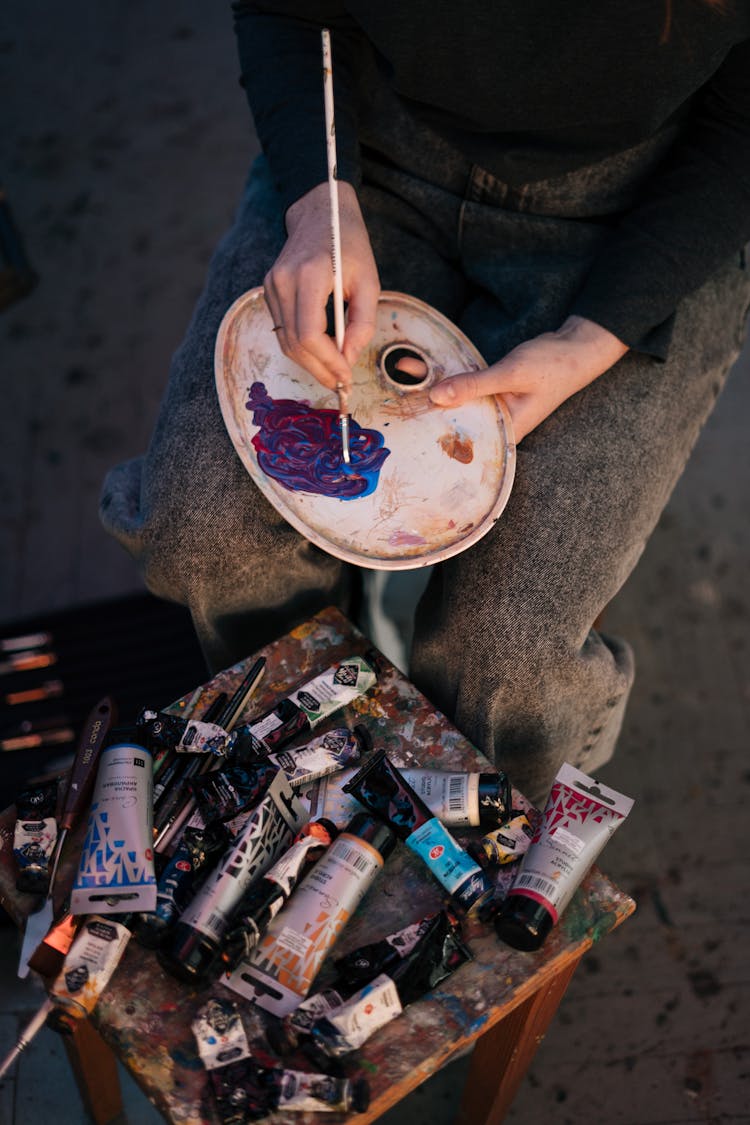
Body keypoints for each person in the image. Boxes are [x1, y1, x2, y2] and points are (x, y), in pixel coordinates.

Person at [100, 2, 750, 808]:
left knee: (503, 658)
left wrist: (597, 336)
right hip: (374, 154)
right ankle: (316, 755)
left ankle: (491, 824)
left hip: (644, 210)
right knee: (205, 535)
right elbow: (284, 10)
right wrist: (317, 199)